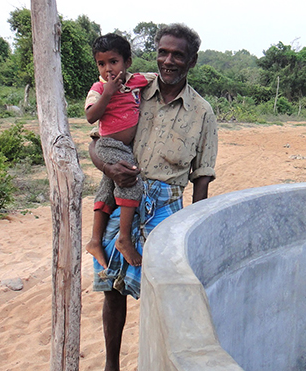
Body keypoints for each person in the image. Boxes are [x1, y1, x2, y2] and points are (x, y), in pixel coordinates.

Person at [88, 24, 218, 371]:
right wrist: (108, 168)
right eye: (163, 52)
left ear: (191, 61)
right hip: (123, 196)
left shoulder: (202, 112)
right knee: (111, 288)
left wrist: (196, 230)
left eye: (178, 55)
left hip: (167, 206)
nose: (168, 60)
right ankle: (111, 365)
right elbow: (96, 140)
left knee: (165, 291)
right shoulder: (130, 89)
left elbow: (202, 178)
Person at [84, 33, 156, 270]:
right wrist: (108, 93)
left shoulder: (135, 81)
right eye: (101, 64)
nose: (108, 69)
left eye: (113, 62)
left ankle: (95, 240)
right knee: (130, 180)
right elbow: (91, 116)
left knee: (106, 188)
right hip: (108, 145)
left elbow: (156, 79)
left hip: (124, 147)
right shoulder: (98, 88)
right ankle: (124, 239)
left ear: (127, 62)